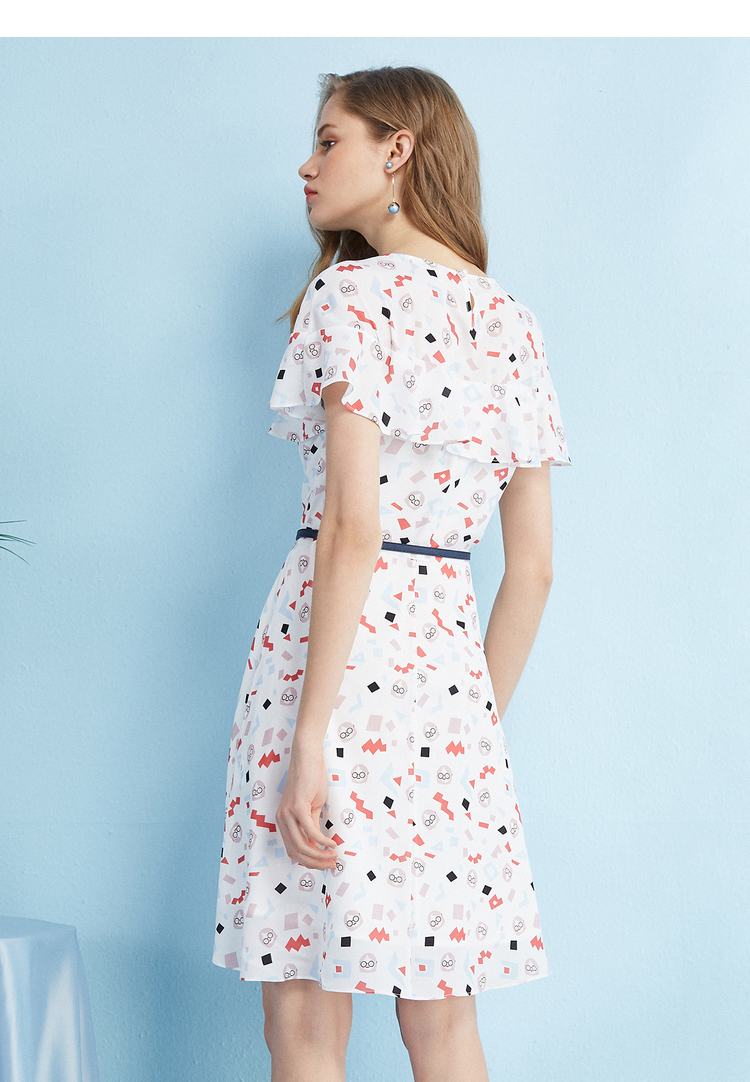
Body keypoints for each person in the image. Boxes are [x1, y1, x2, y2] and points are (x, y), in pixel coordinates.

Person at [213, 65, 571, 1082]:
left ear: (398, 148)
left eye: (330, 140)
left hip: (326, 670)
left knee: (304, 1025)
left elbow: (352, 528)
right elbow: (534, 569)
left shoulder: (351, 296)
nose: (307, 164)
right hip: (450, 694)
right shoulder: (512, 320)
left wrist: (313, 734)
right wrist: (469, 727)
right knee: (445, 1026)